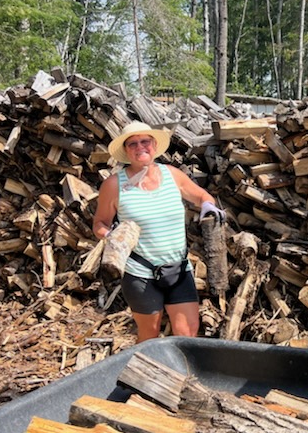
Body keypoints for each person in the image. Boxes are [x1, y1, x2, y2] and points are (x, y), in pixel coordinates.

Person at [93, 121, 225, 343]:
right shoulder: (114, 185)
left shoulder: (172, 175)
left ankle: (182, 376)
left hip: (179, 268)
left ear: (154, 145)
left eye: (145, 141)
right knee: (149, 337)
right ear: (126, 151)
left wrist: (207, 205)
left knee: (188, 333)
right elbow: (100, 223)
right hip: (140, 272)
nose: (140, 147)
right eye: (133, 143)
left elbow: (202, 196)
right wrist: (111, 237)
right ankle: (146, 376)